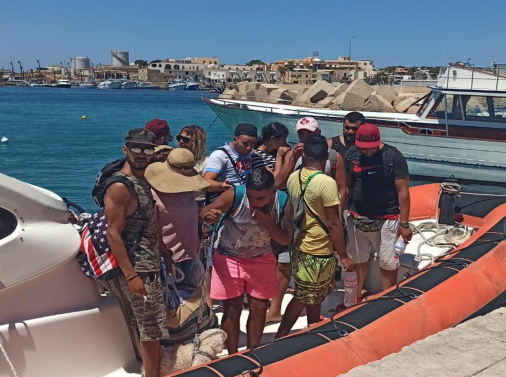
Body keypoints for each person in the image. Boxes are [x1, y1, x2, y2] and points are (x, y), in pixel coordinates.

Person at [101, 128, 173, 377]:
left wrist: (164, 253)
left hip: (150, 264)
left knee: (147, 326)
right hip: (138, 268)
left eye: (146, 149)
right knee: (150, 329)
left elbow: (146, 223)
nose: (141, 154)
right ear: (126, 150)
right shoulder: (121, 187)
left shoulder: (142, 181)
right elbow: (113, 234)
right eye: (136, 148)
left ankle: (149, 376)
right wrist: (131, 275)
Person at [199, 169, 290, 354]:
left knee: (258, 309)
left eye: (260, 198)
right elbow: (203, 212)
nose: (254, 203)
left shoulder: (284, 202)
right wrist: (209, 215)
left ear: (273, 192)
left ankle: (253, 352)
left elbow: (285, 239)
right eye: (251, 197)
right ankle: (232, 355)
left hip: (261, 259)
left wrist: (268, 223)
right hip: (228, 257)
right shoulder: (235, 195)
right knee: (232, 310)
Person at [275, 135, 353, 339]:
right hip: (318, 248)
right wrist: (343, 255)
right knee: (303, 295)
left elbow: (291, 209)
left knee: (313, 292)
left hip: (300, 245)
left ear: (305, 155)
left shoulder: (294, 176)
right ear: (327, 157)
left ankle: (312, 327)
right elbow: (334, 223)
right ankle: (280, 337)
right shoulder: (326, 183)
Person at [145, 148, 213, 341]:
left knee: (190, 305)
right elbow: (150, 229)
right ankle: (171, 346)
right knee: (169, 310)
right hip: (166, 261)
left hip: (191, 255)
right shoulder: (152, 195)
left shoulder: (187, 191)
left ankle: (188, 338)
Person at [344, 123, 411, 300]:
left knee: (388, 261)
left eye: (370, 149)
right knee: (359, 257)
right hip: (357, 216)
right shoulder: (351, 154)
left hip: (387, 216)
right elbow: (347, 186)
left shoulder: (394, 157)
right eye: (363, 148)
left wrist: (404, 223)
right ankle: (356, 296)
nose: (366, 152)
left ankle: (385, 298)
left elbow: (403, 191)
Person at [202, 123, 264, 201]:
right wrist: (222, 185)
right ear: (235, 140)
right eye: (245, 143)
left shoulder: (250, 153)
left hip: (247, 198)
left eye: (252, 144)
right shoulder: (220, 155)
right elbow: (206, 182)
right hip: (229, 199)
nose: (249, 148)